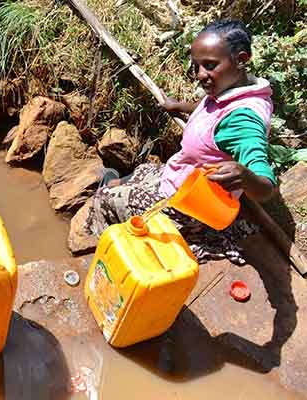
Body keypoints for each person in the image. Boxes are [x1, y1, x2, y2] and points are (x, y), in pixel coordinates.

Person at [86, 20, 276, 265]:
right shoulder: (237, 88)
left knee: (104, 201)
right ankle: (115, 185)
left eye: (209, 66)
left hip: (190, 203)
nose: (199, 75)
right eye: (196, 66)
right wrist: (181, 107)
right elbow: (211, 108)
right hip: (182, 172)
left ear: (241, 59)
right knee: (142, 171)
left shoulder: (243, 121)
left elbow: (266, 188)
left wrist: (244, 176)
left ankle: (109, 251)